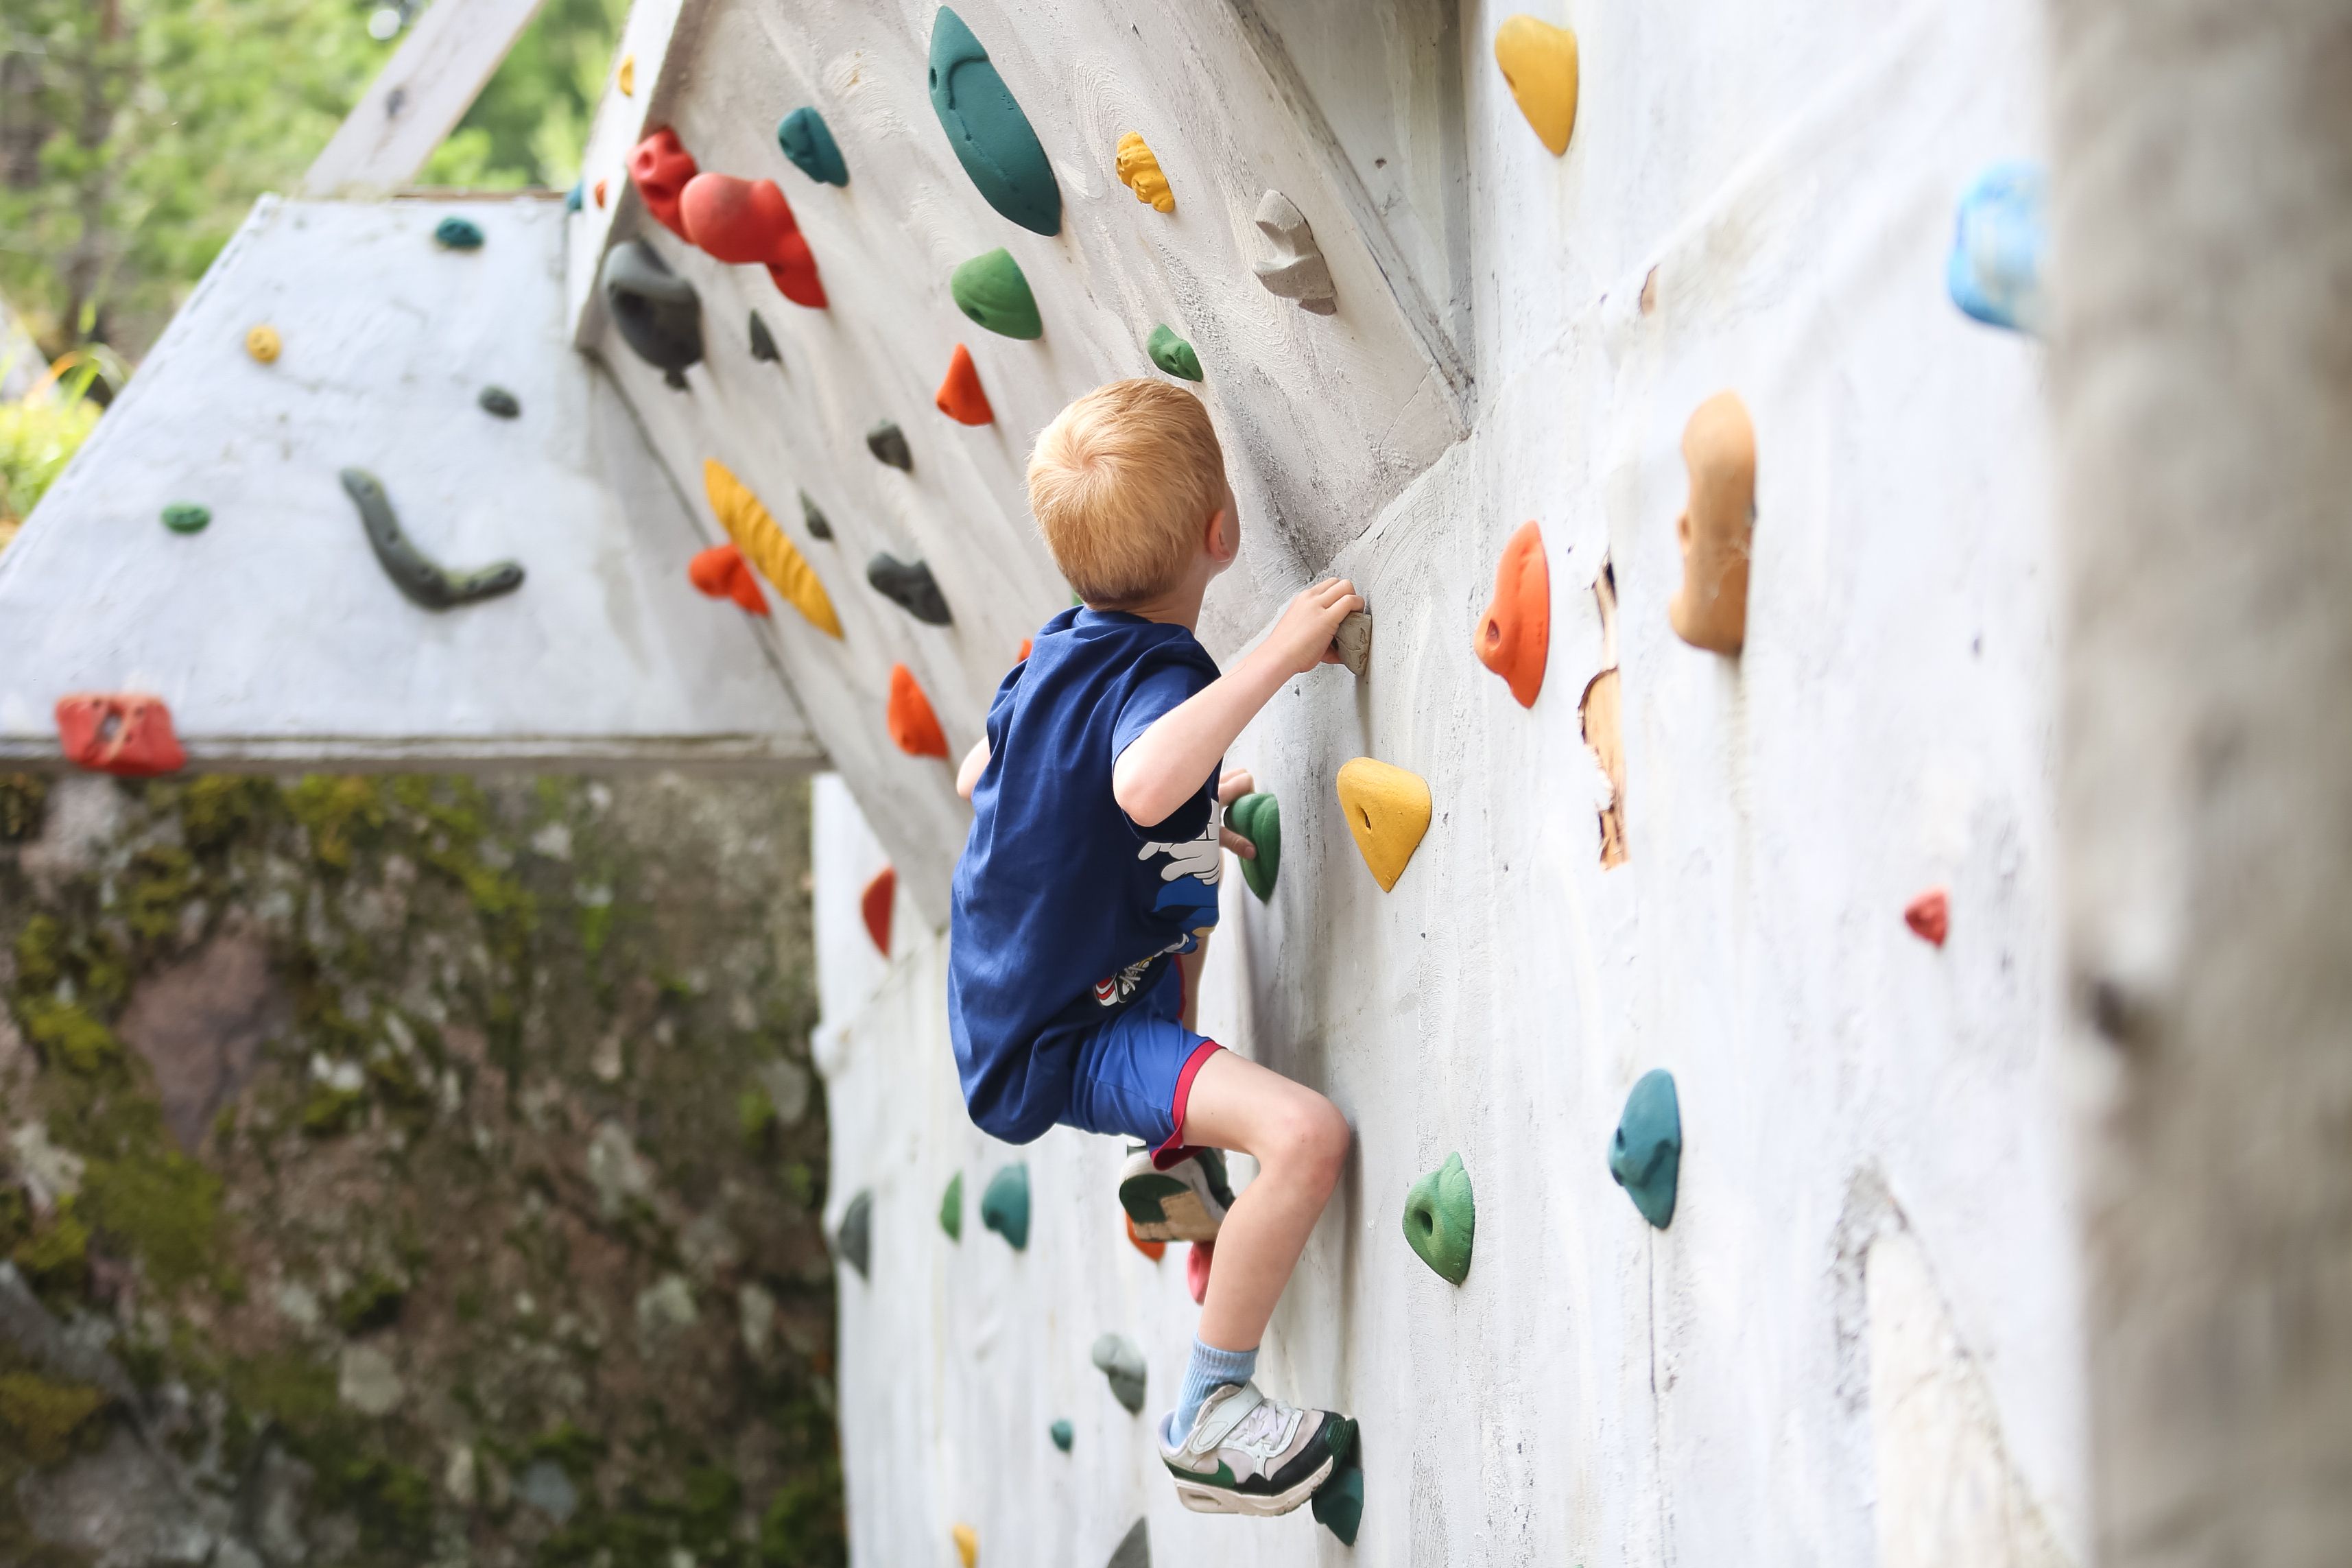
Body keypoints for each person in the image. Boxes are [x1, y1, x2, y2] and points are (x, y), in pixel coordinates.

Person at [949, 379, 1360, 1515]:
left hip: (1013, 993)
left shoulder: (1049, 653)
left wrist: (1163, 825)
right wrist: (1272, 656)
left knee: (1188, 854)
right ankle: (1210, 1416)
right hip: (1073, 1035)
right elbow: (1137, 780)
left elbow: (979, 775)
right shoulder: (1165, 672)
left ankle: (1172, 1153)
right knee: (1306, 1138)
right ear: (1221, 533)